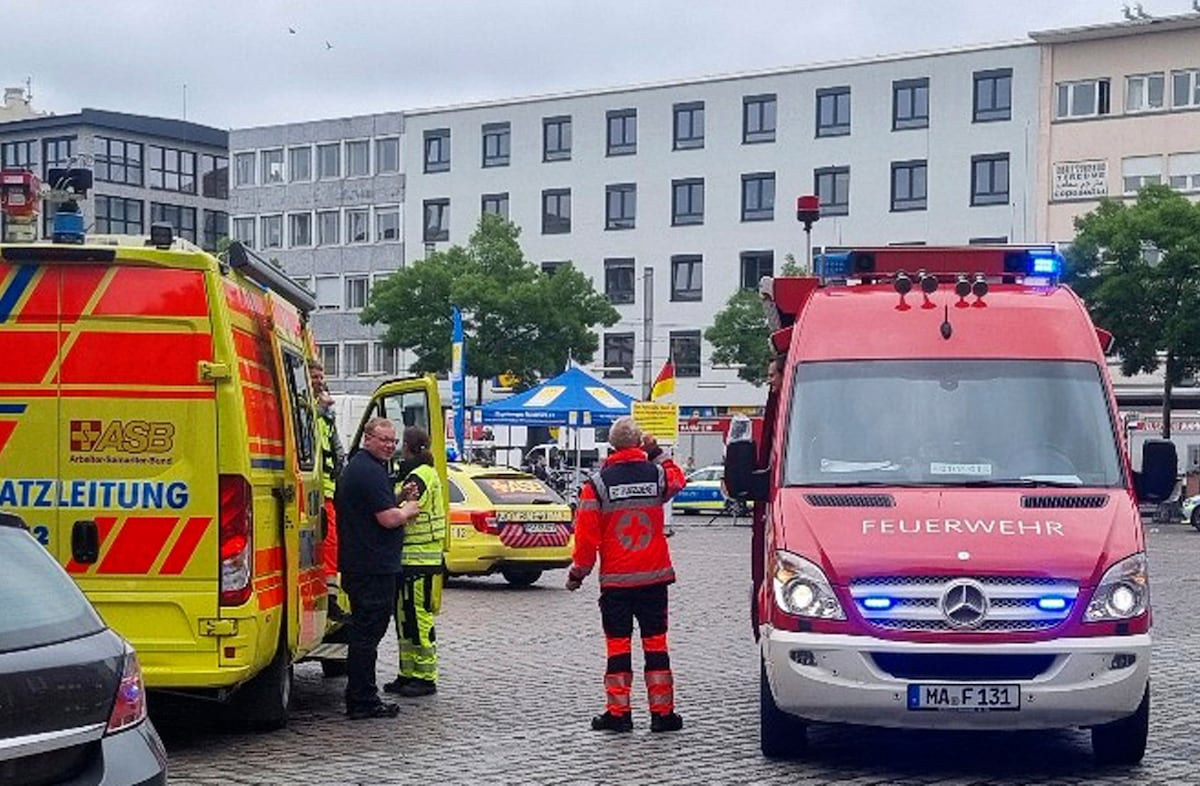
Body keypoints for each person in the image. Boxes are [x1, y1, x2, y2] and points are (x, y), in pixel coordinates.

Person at [565, 416, 686, 733]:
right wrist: (657, 450)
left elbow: (587, 536)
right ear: (638, 444)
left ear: (611, 446)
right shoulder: (657, 474)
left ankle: (619, 715)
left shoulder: (597, 485)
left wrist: (578, 573)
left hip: (617, 583)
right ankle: (663, 714)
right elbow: (678, 478)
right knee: (656, 645)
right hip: (654, 580)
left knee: (618, 648)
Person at [335, 417, 422, 720]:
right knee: (366, 636)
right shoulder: (368, 472)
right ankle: (362, 699)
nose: (389, 446)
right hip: (371, 567)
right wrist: (408, 509)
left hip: (365, 564)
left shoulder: (364, 469)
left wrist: (397, 498)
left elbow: (374, 507)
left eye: (393, 441)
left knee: (364, 633)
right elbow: (387, 519)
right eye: (383, 440)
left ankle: (362, 695)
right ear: (367, 438)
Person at [384, 426, 448, 698]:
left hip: (421, 559)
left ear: (408, 446)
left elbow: (408, 509)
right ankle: (407, 672)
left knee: (418, 618)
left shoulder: (420, 475)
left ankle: (424, 676)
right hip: (411, 559)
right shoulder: (416, 472)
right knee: (404, 618)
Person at [310, 361, 347, 619]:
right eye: (314, 376)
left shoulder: (326, 413)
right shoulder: (307, 406)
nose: (319, 380)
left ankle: (330, 596)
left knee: (331, 543)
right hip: (313, 488)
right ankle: (325, 596)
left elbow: (336, 448)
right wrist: (322, 409)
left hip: (327, 489)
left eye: (322, 376)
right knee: (322, 543)